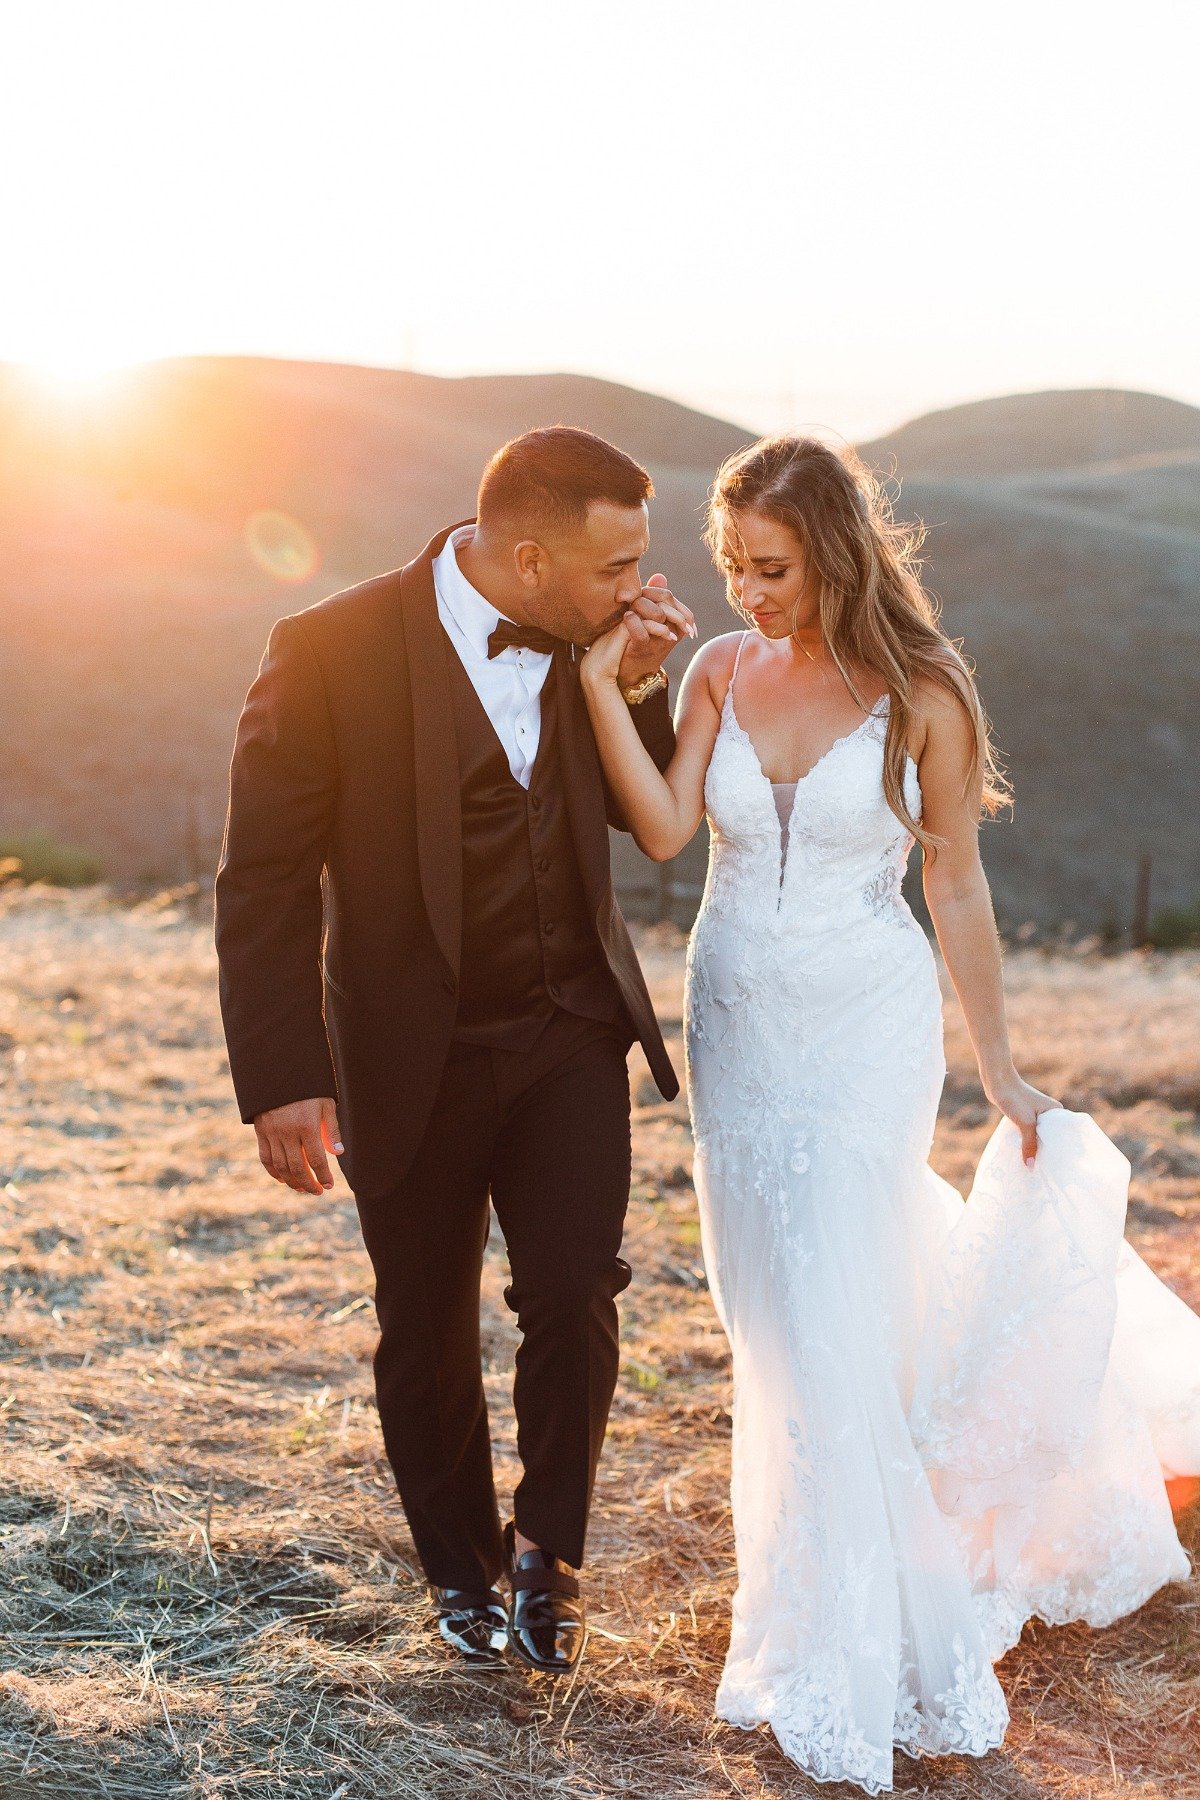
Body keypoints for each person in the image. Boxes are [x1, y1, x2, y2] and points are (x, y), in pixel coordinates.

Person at [579, 434, 1200, 1791]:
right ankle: (823, 1579)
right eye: (732, 564)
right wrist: (598, 687)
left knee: (838, 1305)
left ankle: (860, 1633)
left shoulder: (922, 690)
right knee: (776, 1316)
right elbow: (670, 833)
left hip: (867, 1023)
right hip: (738, 1016)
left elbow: (957, 884)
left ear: (838, 551)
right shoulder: (718, 671)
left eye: (774, 567)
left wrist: (1001, 1068)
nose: (747, 591)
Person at [215, 426, 695, 1674]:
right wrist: (281, 1075)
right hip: (405, 1049)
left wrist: (633, 680)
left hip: (568, 1031)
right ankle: (460, 1569)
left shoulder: (597, 644)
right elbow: (261, 877)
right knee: (422, 1321)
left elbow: (640, 807)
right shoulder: (328, 651)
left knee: (576, 1295)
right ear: (528, 560)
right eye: (617, 568)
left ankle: (551, 1554)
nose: (641, 591)